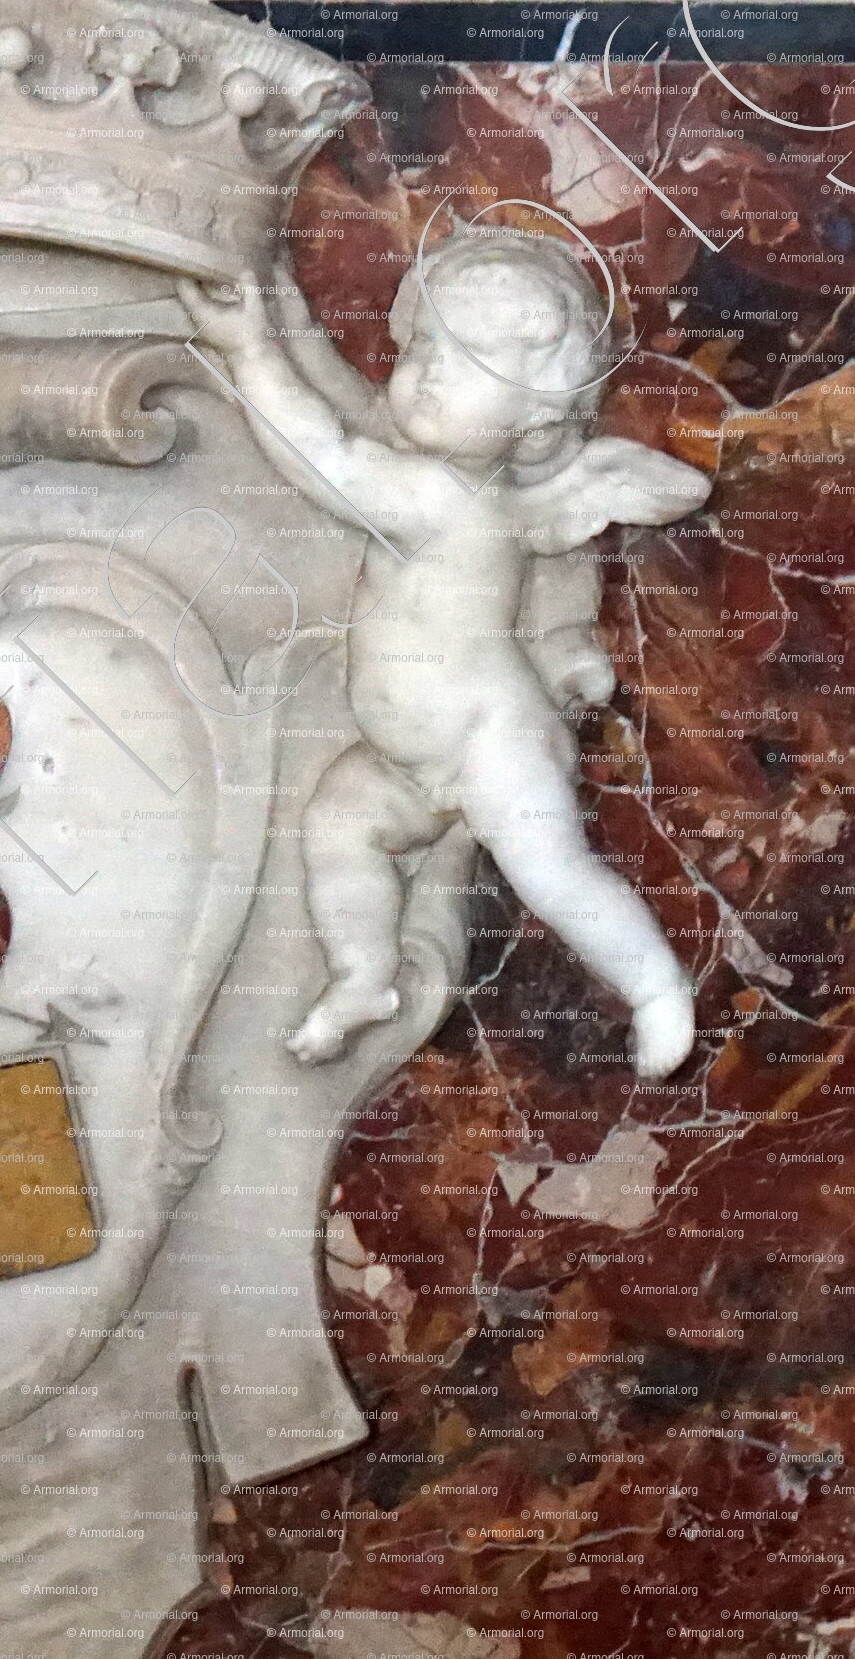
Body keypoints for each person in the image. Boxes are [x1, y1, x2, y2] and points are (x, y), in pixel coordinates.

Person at [180, 230, 711, 1078]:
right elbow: (342, 423)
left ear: (535, 415)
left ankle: (655, 987)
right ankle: (364, 977)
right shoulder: (445, 481)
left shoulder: (440, 493)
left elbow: (325, 456)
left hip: (490, 743)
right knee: (339, 828)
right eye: (423, 345)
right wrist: (281, 323)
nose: (428, 372)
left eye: (469, 361)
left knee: (554, 874)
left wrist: (249, 352)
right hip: (407, 759)